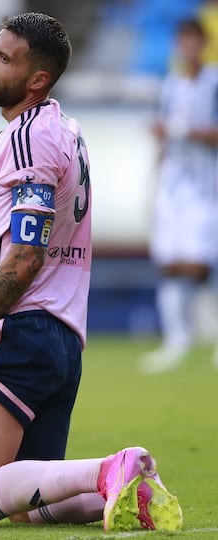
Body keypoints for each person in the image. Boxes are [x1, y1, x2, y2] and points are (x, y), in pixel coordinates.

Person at [0, 12, 182, 531]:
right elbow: (31, 244)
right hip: (61, 340)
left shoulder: (28, 139)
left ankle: (109, 468)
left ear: (37, 79)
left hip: (20, 332)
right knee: (26, 506)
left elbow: (25, 257)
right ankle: (127, 488)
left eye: (3, 58)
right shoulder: (64, 131)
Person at [141, 18, 218, 374]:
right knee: (170, 262)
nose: (188, 49)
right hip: (175, 185)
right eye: (182, 42)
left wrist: (180, 130)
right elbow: (164, 138)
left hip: (207, 185)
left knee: (207, 263)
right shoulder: (171, 85)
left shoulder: (213, 82)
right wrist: (154, 183)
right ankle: (177, 341)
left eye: (193, 42)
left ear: (202, 44)